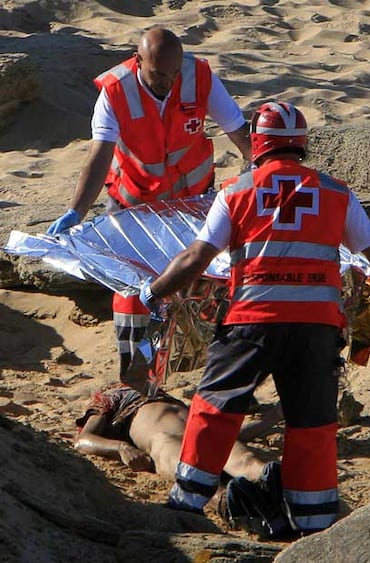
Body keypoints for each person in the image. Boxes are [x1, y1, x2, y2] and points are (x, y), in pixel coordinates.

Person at [139, 101, 370, 536]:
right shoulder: (336, 193)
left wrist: (152, 293)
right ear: (301, 144)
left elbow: (195, 257)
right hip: (316, 328)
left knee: (216, 407)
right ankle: (316, 522)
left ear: (257, 144)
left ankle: (188, 500)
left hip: (252, 321)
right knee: (313, 421)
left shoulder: (236, 191)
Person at [47, 26, 251, 380]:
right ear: (138, 60)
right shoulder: (116, 90)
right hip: (133, 205)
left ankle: (209, 365)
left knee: (209, 278)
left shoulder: (199, 77)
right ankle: (133, 374)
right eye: (159, 75)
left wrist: (262, 174)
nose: (168, 82)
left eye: (174, 73)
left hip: (190, 201)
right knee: (131, 288)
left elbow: (240, 134)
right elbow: (99, 155)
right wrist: (75, 211)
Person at [74, 384, 282, 481]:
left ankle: (277, 489)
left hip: (204, 430)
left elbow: (236, 433)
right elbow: (83, 440)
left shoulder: (159, 390)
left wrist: (275, 415)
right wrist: (120, 447)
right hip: (164, 439)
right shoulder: (109, 397)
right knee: (192, 478)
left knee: (250, 463)